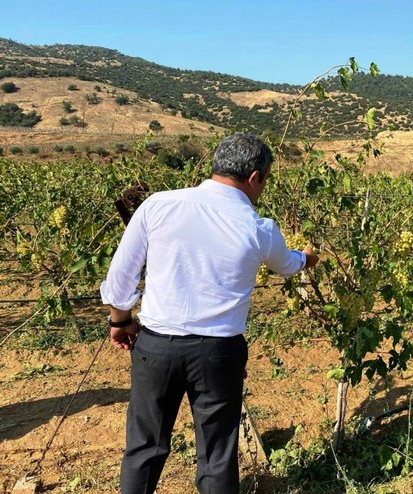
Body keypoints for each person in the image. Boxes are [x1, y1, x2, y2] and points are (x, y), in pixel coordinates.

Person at [101, 133, 319, 494]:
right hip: (218, 354)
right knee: (217, 454)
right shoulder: (259, 228)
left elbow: (121, 274)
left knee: (144, 447)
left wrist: (120, 321)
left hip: (156, 347)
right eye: (264, 181)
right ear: (254, 177)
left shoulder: (158, 205)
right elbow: (289, 264)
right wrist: (309, 257)